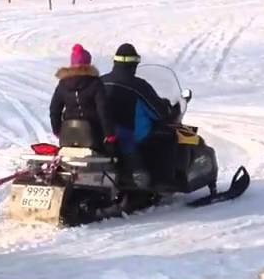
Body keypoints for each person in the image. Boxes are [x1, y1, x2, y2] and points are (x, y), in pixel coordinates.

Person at [101, 43, 176, 189]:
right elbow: (158, 113)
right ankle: (158, 182)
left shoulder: (101, 81)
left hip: (103, 133)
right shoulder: (139, 86)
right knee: (167, 136)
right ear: (134, 64)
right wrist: (166, 107)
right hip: (131, 134)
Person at [49, 44, 115, 152]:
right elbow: (103, 110)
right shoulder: (95, 83)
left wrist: (57, 130)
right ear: (88, 63)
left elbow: (54, 109)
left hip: (68, 133)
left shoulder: (63, 84)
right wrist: (109, 133)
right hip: (93, 134)